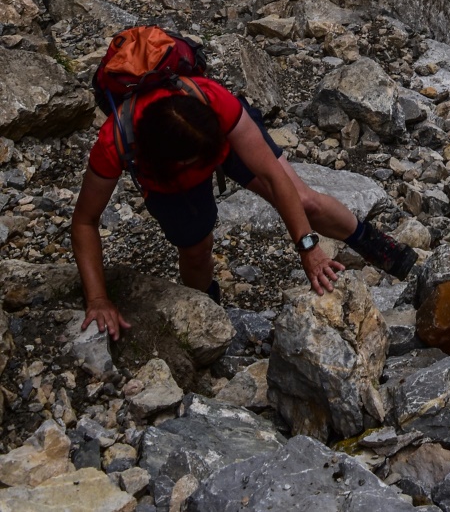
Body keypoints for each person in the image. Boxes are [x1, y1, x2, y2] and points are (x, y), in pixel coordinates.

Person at [70, 73, 416, 340]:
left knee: (304, 201)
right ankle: (206, 317)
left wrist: (307, 245)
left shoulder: (211, 100)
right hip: (169, 179)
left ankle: (389, 254)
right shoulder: (115, 143)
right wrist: (98, 299)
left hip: (221, 137)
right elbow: (85, 221)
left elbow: (272, 174)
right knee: (195, 247)